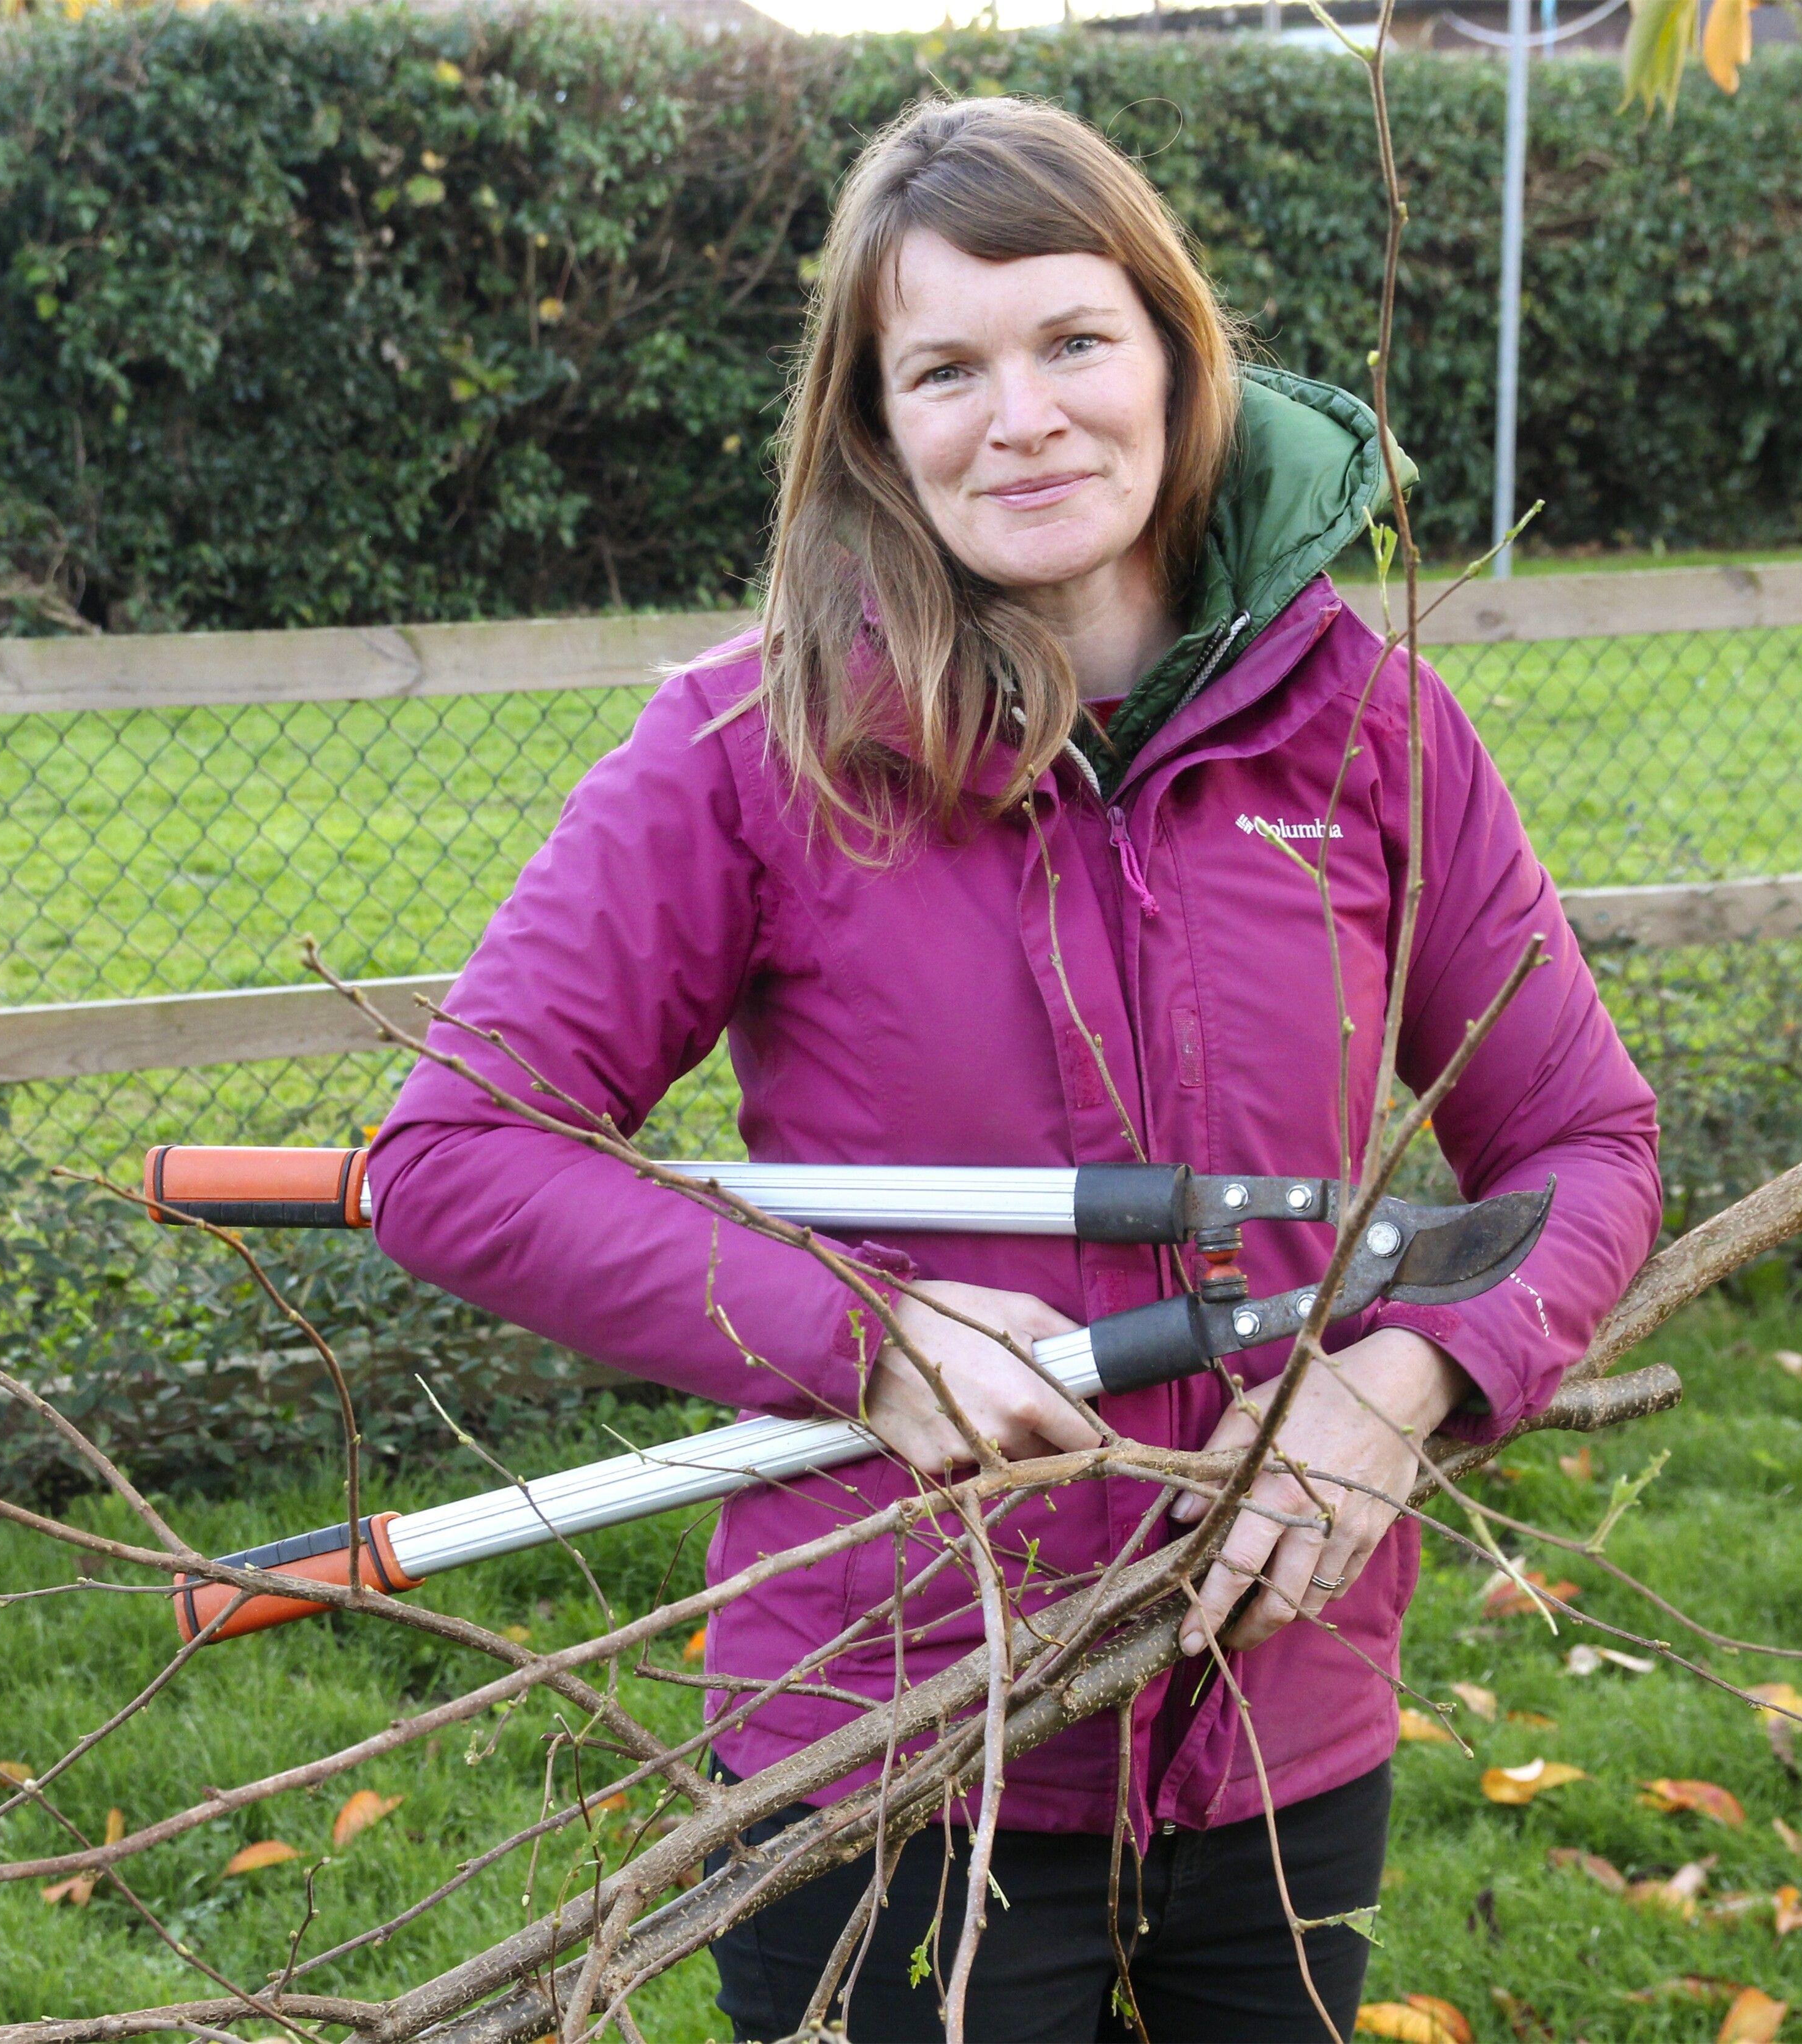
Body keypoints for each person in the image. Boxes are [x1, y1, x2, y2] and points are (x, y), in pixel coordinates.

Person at [366, 95, 1661, 2043]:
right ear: (875, 427)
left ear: (1173, 354)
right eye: (946, 369)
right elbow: (454, 1155)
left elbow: (1581, 1138)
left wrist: (1411, 1378)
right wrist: (860, 1333)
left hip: (1280, 1709)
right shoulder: (753, 746)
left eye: (1072, 341)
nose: (1025, 416)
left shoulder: (1371, 725)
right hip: (894, 1712)